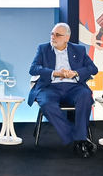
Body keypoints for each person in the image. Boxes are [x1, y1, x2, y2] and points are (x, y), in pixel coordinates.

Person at [28, 23, 99, 158]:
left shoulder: (79, 50)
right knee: (47, 103)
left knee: (85, 95)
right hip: (50, 87)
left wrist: (76, 73)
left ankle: (79, 138)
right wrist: (55, 73)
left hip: (74, 87)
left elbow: (93, 69)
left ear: (67, 38)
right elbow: (33, 69)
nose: (53, 37)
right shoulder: (43, 49)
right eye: (52, 34)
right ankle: (78, 138)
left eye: (57, 35)